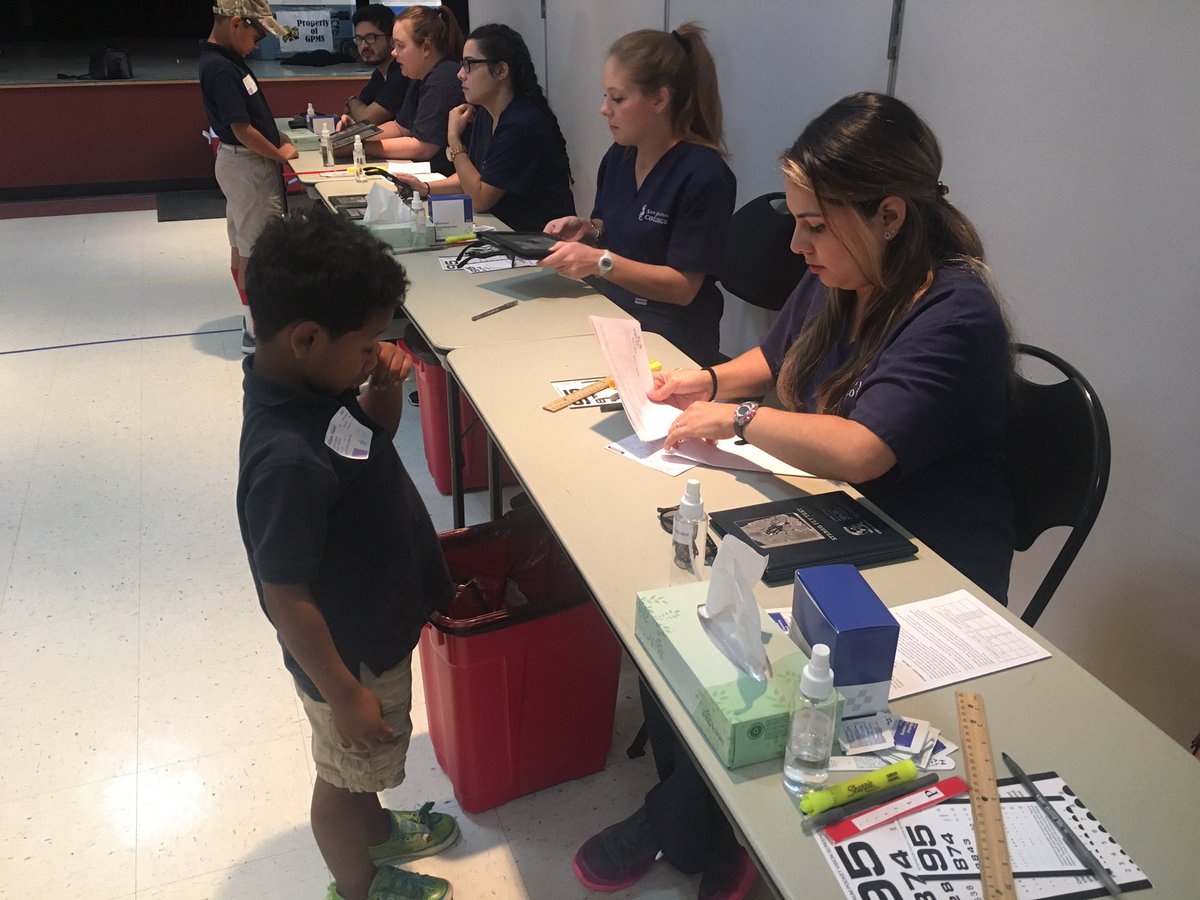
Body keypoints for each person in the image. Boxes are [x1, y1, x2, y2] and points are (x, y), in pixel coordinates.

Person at [573, 92, 1014, 900]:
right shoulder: (846, 272)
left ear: (888, 214)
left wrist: (739, 417)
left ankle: (703, 827)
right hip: (847, 521)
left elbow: (860, 450)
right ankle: (698, 817)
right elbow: (777, 358)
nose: (795, 241)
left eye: (814, 223)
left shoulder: (955, 310)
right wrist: (701, 380)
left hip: (926, 560)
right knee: (689, 615)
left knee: (742, 653)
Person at [237, 209, 460, 900]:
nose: (376, 354)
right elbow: (285, 596)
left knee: (365, 769)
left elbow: (368, 444)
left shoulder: (317, 391)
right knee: (342, 777)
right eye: (367, 346)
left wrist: (381, 389)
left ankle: (376, 827)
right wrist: (343, 694)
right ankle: (360, 886)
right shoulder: (284, 459)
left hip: (373, 628)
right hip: (350, 655)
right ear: (307, 337)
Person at [540, 22, 735, 367]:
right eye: (605, 96)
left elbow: (682, 287)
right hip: (613, 310)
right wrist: (589, 230)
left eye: (617, 98)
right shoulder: (619, 156)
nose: (604, 109)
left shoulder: (704, 174)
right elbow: (615, 226)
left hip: (672, 334)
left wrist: (599, 263)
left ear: (659, 99)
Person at [393, 23, 575, 232]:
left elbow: (480, 198)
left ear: (500, 70)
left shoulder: (522, 123)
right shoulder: (486, 114)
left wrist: (454, 139)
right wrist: (425, 188)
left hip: (538, 242)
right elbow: (473, 178)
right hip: (502, 232)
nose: (461, 74)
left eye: (469, 64)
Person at [200, 0, 299, 354]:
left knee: (243, 243)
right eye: (256, 36)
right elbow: (241, 129)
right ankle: (261, 333)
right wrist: (279, 154)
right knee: (257, 251)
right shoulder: (221, 68)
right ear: (237, 23)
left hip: (243, 163)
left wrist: (276, 136)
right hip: (248, 164)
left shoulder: (228, 60)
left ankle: (252, 321)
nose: (257, 45)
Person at [366, 5, 465, 176]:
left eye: (400, 46)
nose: (394, 53)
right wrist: (355, 136)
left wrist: (363, 147)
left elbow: (424, 147)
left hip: (443, 180)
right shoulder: (419, 76)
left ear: (426, 47)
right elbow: (400, 127)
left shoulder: (443, 79)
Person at [337, 4, 411, 129]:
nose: (364, 45)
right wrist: (353, 109)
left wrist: (350, 100)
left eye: (371, 37)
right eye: (359, 39)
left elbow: (367, 118)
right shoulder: (379, 73)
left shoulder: (402, 72)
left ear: (392, 39)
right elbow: (353, 112)